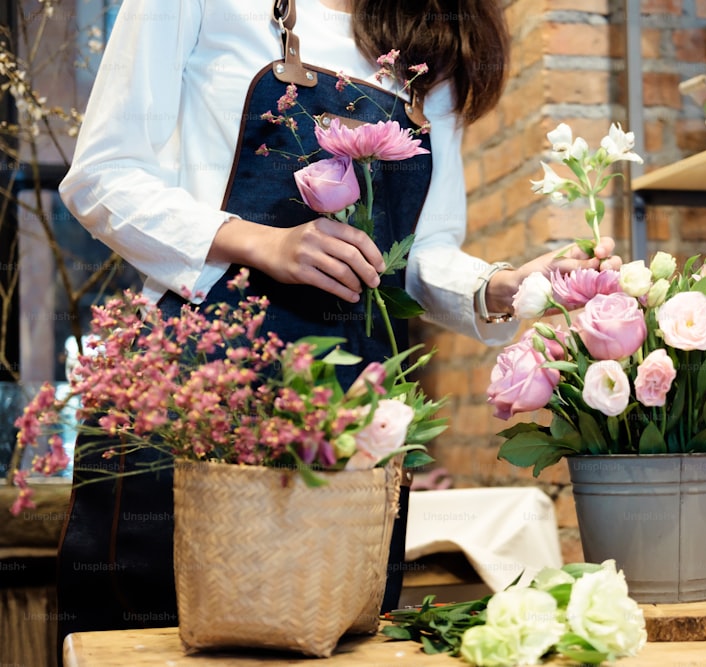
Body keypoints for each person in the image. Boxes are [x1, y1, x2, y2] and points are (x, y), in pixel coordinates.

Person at [55, 0, 619, 653]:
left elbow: (417, 254)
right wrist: (259, 243)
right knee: (149, 631)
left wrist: (501, 287)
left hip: (351, 412)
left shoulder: (424, 39)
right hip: (194, 393)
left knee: (332, 627)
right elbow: (102, 174)